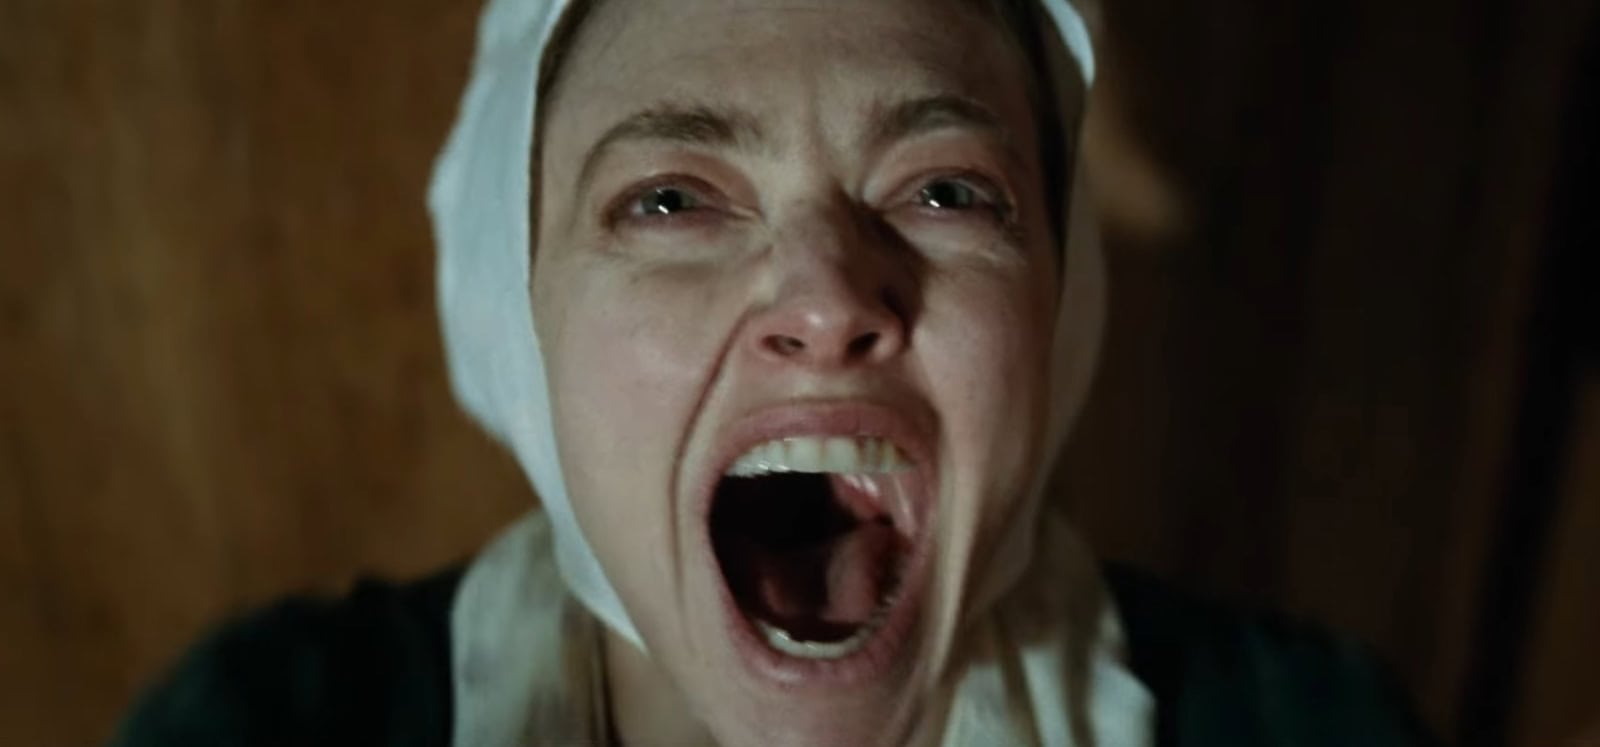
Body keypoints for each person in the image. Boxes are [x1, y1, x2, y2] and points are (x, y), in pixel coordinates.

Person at [111, 0, 1438, 745]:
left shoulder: (1311, 732)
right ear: (520, 318)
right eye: (673, 199)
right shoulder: (265, 731)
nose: (826, 299)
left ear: (1060, 302)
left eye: (945, 189)